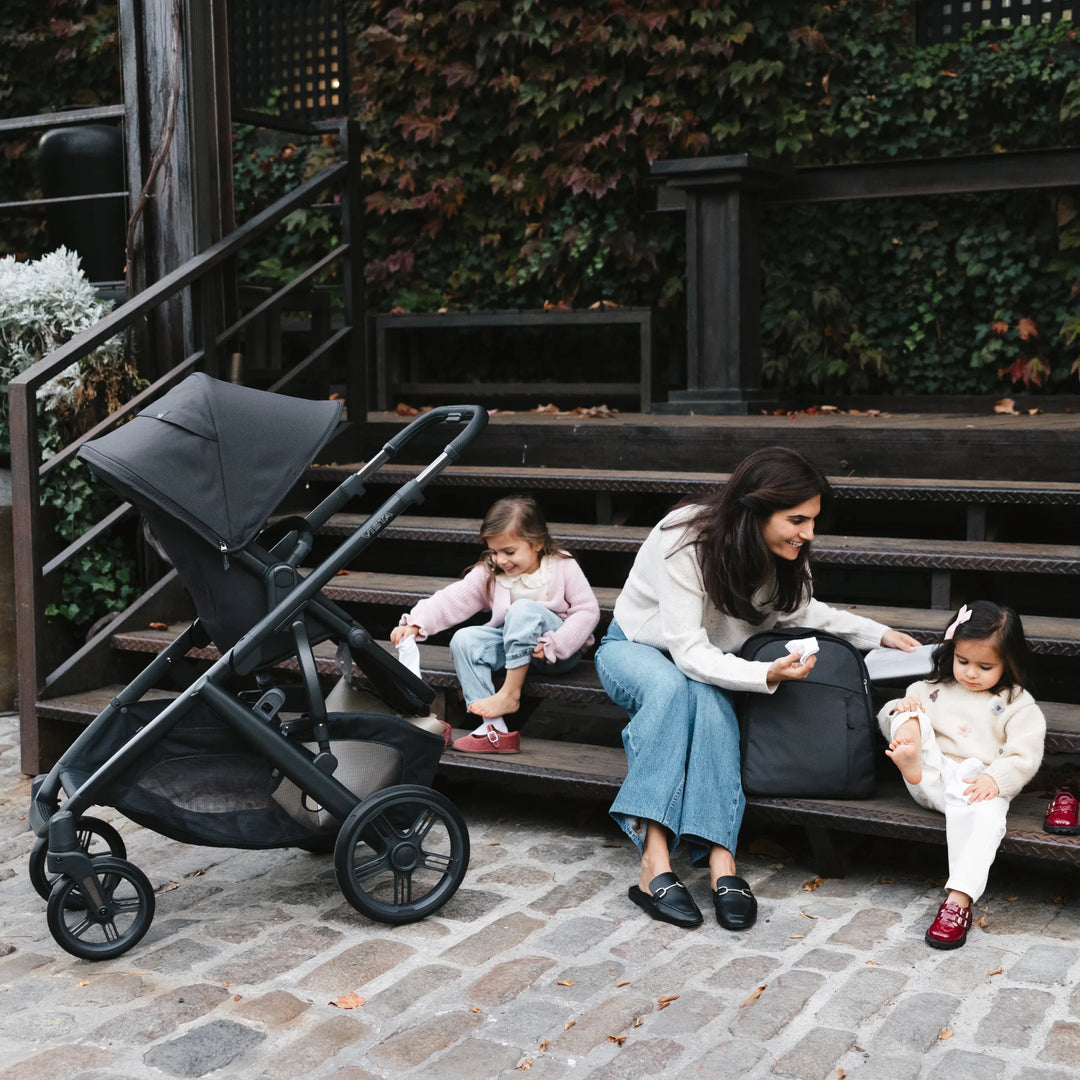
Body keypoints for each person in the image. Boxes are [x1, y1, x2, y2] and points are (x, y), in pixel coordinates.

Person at [595, 446, 920, 931]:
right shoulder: (684, 537)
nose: (809, 533)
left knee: (709, 699)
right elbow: (687, 651)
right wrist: (764, 675)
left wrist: (878, 634)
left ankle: (722, 862)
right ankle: (654, 864)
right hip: (640, 648)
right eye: (797, 520)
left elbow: (802, 611)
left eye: (812, 520)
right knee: (672, 690)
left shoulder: (788, 553)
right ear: (756, 509)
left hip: (711, 664)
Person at [879, 601, 1046, 949]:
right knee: (907, 711)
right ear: (950, 652)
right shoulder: (930, 688)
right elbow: (888, 718)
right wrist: (901, 712)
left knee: (987, 819)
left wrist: (997, 779)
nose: (970, 673)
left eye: (985, 666)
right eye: (963, 661)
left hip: (976, 785)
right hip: (929, 776)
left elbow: (1024, 752)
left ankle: (958, 899)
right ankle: (909, 761)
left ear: (1008, 663)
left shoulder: (1017, 703)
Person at [390, 495, 600, 753]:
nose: (501, 560)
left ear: (537, 543)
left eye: (509, 552)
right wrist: (415, 623)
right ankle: (493, 729)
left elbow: (587, 611)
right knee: (464, 639)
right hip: (514, 650)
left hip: (556, 653)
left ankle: (510, 693)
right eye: (495, 552)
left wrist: (557, 644)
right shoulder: (492, 573)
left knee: (522, 609)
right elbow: (453, 598)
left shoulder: (561, 565)